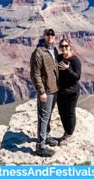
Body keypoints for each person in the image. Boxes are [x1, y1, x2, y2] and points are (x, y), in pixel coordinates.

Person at [30, 28, 60, 157]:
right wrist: (41, 91)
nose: (50, 37)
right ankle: (40, 146)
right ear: (44, 36)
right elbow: (35, 74)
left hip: (55, 89)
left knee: (48, 115)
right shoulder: (38, 52)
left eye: (52, 35)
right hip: (46, 91)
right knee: (44, 117)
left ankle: (46, 136)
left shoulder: (54, 50)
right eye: (48, 35)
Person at [56, 38, 81, 146]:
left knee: (70, 113)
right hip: (61, 91)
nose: (64, 48)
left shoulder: (75, 61)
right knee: (62, 113)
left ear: (70, 46)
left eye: (66, 46)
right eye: (62, 46)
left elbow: (77, 77)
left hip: (72, 92)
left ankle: (70, 135)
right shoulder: (59, 57)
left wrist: (67, 69)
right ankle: (66, 132)